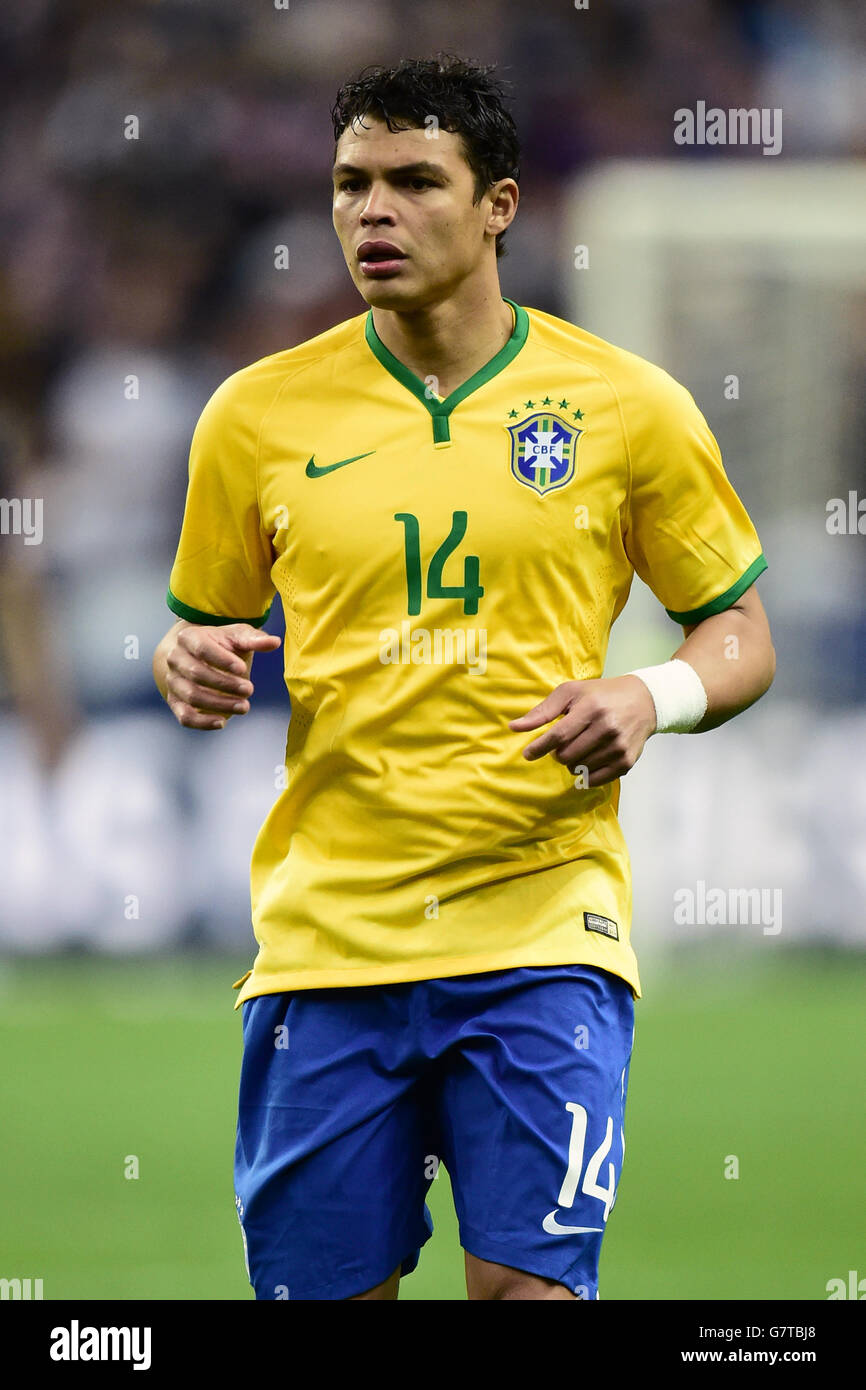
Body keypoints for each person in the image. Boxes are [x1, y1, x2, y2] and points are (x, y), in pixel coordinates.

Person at [152, 54, 775, 1301]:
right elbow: (199, 634)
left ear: (497, 203)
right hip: (327, 944)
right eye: (349, 184)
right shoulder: (254, 415)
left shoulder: (628, 410)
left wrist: (648, 696)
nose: (370, 212)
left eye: (412, 181)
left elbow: (739, 632)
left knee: (527, 1295)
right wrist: (185, 660)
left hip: (542, 927)